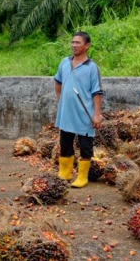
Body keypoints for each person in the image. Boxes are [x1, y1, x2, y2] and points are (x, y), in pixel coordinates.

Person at [54, 31, 104, 188]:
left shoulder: (91, 68)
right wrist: (61, 100)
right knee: (65, 143)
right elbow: (58, 82)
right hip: (67, 113)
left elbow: (97, 92)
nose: (74, 45)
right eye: (73, 42)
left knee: (85, 145)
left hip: (85, 113)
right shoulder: (64, 62)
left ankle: (82, 177)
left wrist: (96, 114)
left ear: (87, 46)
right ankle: (65, 173)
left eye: (78, 43)